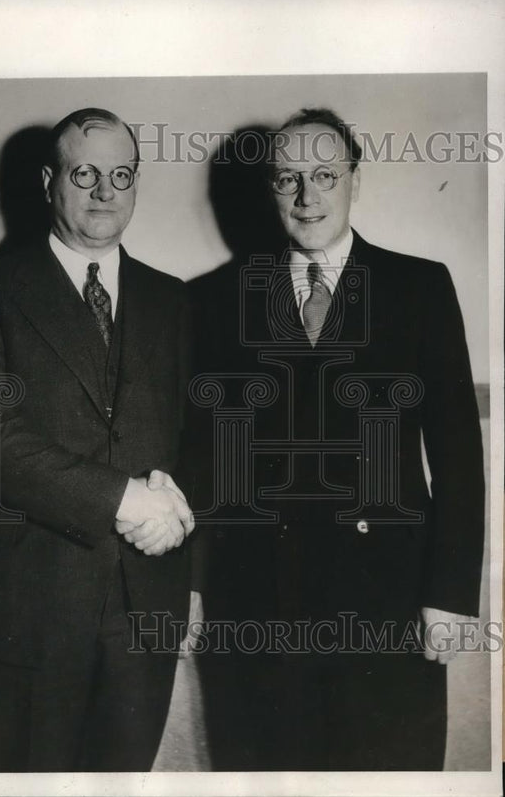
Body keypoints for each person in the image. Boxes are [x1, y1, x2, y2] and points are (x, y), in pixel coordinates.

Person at [190, 108, 485, 770]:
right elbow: (202, 457)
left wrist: (449, 595)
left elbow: (460, 457)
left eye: (324, 174)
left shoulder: (420, 287)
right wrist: (193, 585)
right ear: (267, 189)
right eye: (287, 178)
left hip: (390, 601)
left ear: (356, 180)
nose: (306, 196)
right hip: (258, 605)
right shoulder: (212, 300)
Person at [0, 108, 197, 772]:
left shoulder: (178, 302)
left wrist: (191, 561)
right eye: (85, 173)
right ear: (50, 181)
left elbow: (206, 442)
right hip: (26, 619)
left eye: (122, 174)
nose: (106, 190)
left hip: (146, 612)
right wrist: (124, 501)